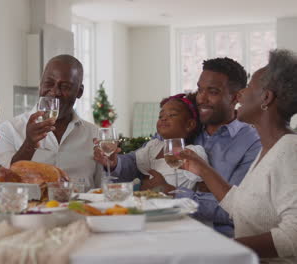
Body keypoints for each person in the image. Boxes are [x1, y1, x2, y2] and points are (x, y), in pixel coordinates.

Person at [94, 57, 261, 237]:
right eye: (200, 89)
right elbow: (137, 161)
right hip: (160, 227)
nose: (201, 99)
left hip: (213, 238)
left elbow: (237, 209)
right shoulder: (180, 125)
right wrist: (114, 162)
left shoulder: (251, 143)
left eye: (212, 91)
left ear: (236, 97)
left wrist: (172, 193)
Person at [180, 49, 297, 263]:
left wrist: (222, 248)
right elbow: (239, 206)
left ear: (266, 98)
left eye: (249, 87)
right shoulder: (268, 149)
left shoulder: (290, 151)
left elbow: (293, 235)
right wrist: (202, 169)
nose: (240, 95)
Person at [0, 55, 103, 189]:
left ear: (79, 92)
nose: (55, 92)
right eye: (49, 83)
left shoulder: (94, 135)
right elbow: (2, 184)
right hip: (28, 209)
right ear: (40, 84)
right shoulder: (8, 130)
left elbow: (102, 189)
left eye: (65, 86)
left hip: (79, 209)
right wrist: (29, 144)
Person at [134, 93, 209, 192]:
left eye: (172, 115)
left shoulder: (192, 153)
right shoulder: (153, 147)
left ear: (190, 125)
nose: (164, 118)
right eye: (160, 116)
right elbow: (145, 178)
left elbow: (205, 187)